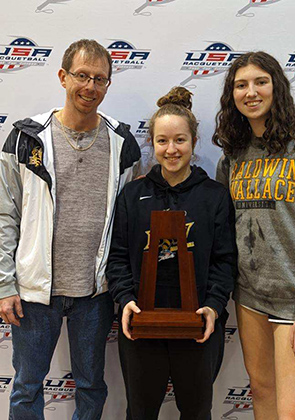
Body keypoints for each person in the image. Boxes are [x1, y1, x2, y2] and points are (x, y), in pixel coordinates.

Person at [0, 39, 140, 419]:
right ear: (63, 77)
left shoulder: (123, 144)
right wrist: (5, 284)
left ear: (108, 84)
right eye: (82, 76)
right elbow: (4, 217)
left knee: (92, 385)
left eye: (100, 79)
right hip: (34, 292)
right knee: (27, 387)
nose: (90, 87)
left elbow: (129, 223)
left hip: (95, 293)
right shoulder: (27, 139)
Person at [213, 51, 295, 419]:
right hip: (251, 296)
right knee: (261, 393)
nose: (250, 92)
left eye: (260, 82)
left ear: (277, 88)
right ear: (232, 96)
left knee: (293, 414)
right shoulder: (233, 157)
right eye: (241, 85)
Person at [107, 86, 236, 420]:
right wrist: (125, 298)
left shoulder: (214, 197)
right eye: (162, 140)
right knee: (140, 411)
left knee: (195, 412)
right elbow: (118, 256)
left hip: (198, 325)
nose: (171, 149)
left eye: (180, 140)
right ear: (152, 143)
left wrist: (213, 305)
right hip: (141, 325)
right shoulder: (132, 195)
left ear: (193, 141)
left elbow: (225, 261)